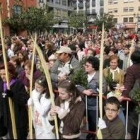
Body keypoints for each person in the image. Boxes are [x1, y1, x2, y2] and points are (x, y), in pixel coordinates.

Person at [77, 56, 107, 139]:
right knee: (86, 121)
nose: (85, 67)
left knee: (94, 123)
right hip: (84, 103)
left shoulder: (99, 77)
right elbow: (77, 84)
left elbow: (103, 89)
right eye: (85, 65)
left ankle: (93, 135)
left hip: (94, 106)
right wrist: (84, 91)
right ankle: (89, 134)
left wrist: (93, 91)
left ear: (94, 67)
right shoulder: (83, 74)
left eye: (87, 66)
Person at [0, 62, 29, 139]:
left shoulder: (18, 84)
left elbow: (24, 101)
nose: (2, 76)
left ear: (11, 73)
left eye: (4, 74)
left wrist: (13, 95)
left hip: (18, 121)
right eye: (1, 74)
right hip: (7, 121)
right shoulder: (1, 84)